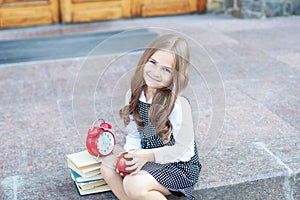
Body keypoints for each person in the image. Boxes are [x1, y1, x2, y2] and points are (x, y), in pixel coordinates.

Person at [101, 34, 201, 200]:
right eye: (153, 63)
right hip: (147, 156)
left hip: (177, 165)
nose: (156, 72)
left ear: (175, 76)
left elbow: (185, 151)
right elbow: (133, 134)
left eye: (166, 69)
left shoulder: (178, 105)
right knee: (107, 168)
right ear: (144, 61)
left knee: (133, 184)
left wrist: (148, 156)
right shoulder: (134, 96)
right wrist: (131, 155)